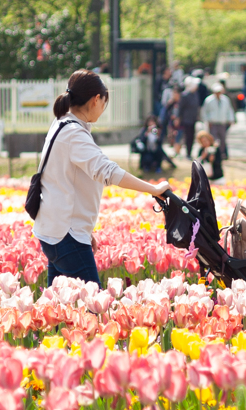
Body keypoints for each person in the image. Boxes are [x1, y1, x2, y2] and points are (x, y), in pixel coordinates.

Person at [34, 70, 170, 287]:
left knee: (58, 309)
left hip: (56, 231)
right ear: (96, 100)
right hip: (65, 234)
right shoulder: (74, 133)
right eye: (104, 103)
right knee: (93, 306)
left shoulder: (61, 124)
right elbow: (108, 172)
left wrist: (83, 231)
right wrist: (153, 189)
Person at [202, 83, 234, 159]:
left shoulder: (225, 99)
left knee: (223, 139)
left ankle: (222, 154)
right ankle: (213, 154)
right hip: (213, 123)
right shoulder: (209, 100)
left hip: (222, 122)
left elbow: (229, 110)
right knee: (213, 139)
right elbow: (204, 112)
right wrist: (207, 121)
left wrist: (230, 119)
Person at [179, 78, 201, 158]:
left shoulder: (195, 94)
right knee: (187, 136)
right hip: (186, 119)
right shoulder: (185, 95)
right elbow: (181, 108)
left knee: (192, 136)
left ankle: (190, 152)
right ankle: (187, 153)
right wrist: (179, 118)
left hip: (193, 119)